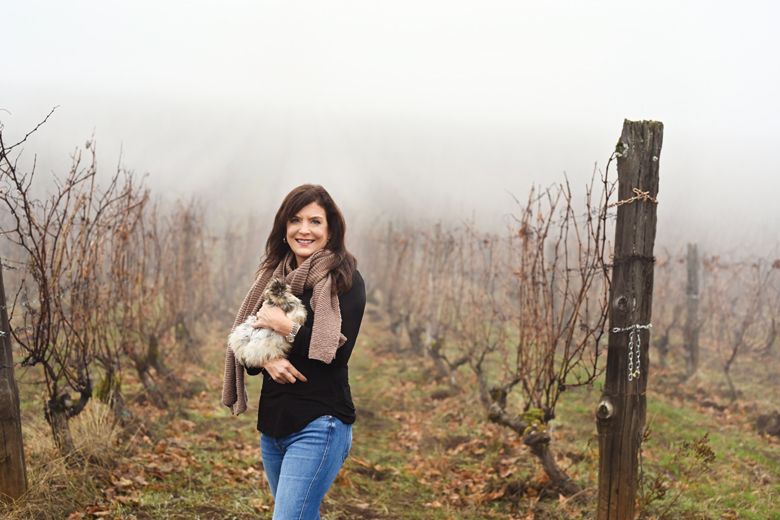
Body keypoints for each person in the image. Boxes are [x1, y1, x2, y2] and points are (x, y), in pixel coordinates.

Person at [221, 184, 366, 520]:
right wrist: (268, 357)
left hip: (321, 422)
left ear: (330, 230)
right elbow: (245, 345)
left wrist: (282, 326)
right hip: (273, 426)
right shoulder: (273, 279)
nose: (304, 229)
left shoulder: (345, 279)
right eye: (295, 220)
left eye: (315, 221)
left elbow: (335, 353)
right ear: (283, 228)